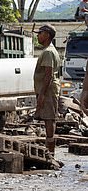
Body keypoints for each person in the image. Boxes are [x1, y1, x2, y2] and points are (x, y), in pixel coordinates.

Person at [33, 24, 60, 156]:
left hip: (48, 90)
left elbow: (48, 74)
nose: (38, 35)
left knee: (49, 118)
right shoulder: (49, 50)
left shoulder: (49, 52)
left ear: (47, 35)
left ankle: (50, 152)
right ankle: (50, 150)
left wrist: (42, 94)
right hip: (48, 89)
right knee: (48, 118)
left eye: (40, 33)